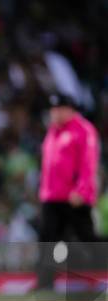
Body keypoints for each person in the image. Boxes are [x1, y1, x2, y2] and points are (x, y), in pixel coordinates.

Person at [38, 93, 100, 289]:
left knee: (87, 240)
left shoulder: (83, 129)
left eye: (59, 109)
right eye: (53, 109)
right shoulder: (53, 131)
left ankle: (101, 277)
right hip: (52, 197)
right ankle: (44, 283)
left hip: (74, 197)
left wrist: (81, 190)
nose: (54, 112)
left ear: (70, 109)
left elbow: (88, 163)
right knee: (47, 241)